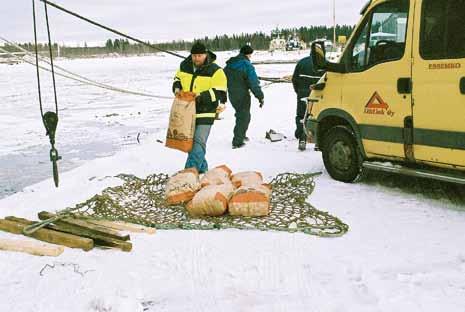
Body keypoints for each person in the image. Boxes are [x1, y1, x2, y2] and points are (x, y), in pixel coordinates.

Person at [172, 42, 227, 173]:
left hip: (206, 111)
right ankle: (202, 170)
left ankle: (189, 172)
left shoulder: (216, 70)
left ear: (205, 54)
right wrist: (177, 87)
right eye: (194, 55)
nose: (196, 58)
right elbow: (177, 78)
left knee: (198, 141)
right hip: (187, 110)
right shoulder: (184, 66)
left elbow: (220, 91)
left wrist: (200, 96)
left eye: (199, 56)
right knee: (190, 143)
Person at [224, 45, 264, 149]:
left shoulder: (230, 64)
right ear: (249, 54)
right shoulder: (247, 65)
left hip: (232, 94)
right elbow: (253, 83)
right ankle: (237, 141)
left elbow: (223, 79)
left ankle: (241, 135)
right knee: (244, 116)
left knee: (240, 114)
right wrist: (260, 96)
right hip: (242, 94)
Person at [292, 52, 323, 151]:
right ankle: (318, 142)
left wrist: (299, 92)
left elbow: (294, 79)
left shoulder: (301, 62)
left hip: (303, 93)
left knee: (302, 116)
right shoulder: (323, 64)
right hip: (318, 95)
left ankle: (302, 139)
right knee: (318, 117)